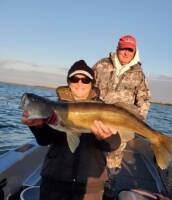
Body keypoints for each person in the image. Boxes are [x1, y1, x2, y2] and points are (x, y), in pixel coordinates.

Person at [22, 60, 121, 200]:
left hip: (90, 186)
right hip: (54, 182)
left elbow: (114, 144)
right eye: (75, 79)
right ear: (69, 82)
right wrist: (38, 127)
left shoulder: (103, 108)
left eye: (85, 79)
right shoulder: (56, 107)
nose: (80, 83)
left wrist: (105, 137)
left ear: (91, 83)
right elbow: (44, 140)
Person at [93, 35, 151, 198]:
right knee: (93, 152)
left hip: (122, 123)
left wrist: (137, 121)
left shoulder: (139, 74)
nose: (125, 53)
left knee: (115, 155)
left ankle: (108, 188)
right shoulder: (101, 64)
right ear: (117, 48)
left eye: (129, 50)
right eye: (123, 48)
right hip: (97, 119)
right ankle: (88, 185)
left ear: (135, 51)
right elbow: (88, 87)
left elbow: (144, 99)